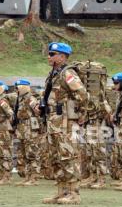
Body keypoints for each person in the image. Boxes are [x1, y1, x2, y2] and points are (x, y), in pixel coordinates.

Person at [41, 42, 88, 205]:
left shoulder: (68, 73)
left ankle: (74, 193)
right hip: (54, 121)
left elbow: (82, 93)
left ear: (62, 56)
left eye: (52, 54)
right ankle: (62, 192)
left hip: (65, 122)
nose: (49, 56)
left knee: (69, 156)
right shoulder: (54, 74)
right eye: (49, 54)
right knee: (56, 157)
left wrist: (81, 113)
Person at [13, 79, 42, 186]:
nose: (16, 90)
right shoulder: (20, 99)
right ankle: (28, 177)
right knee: (24, 153)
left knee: (32, 153)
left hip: (30, 128)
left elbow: (38, 110)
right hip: (22, 128)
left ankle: (34, 177)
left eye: (18, 87)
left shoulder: (30, 98)